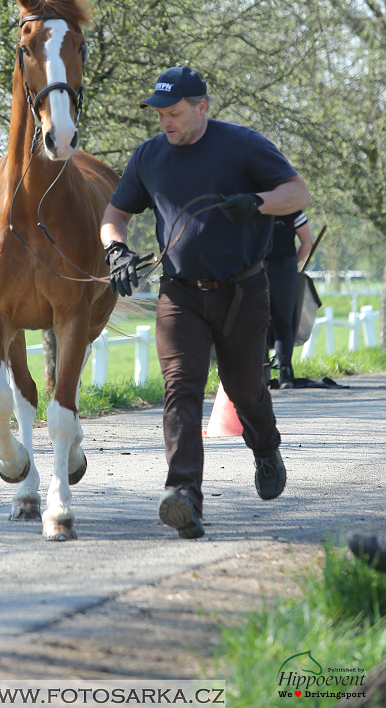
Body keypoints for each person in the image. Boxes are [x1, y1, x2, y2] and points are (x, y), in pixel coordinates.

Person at [100, 65, 310, 540]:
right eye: (159, 114)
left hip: (242, 291)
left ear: (202, 108)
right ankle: (184, 497)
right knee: (181, 390)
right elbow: (116, 212)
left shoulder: (243, 144)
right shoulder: (149, 156)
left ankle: (265, 445)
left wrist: (256, 202)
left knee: (244, 388)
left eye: (174, 113)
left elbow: (298, 192)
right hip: (179, 294)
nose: (165, 122)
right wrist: (115, 248)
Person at [266, 211, 313, 389]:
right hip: (283, 271)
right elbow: (307, 242)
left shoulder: (253, 205)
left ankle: (260, 374)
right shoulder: (292, 210)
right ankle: (285, 374)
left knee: (267, 323)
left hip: (260, 269)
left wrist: (291, 263)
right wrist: (291, 263)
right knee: (283, 323)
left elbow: (307, 242)